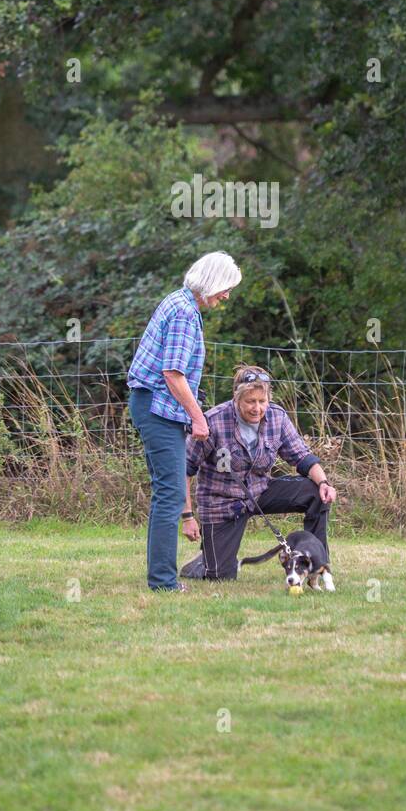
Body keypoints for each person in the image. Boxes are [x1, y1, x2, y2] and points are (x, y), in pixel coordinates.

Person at [127, 252, 241, 591]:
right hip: (158, 409)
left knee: (167, 493)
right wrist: (198, 418)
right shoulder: (184, 314)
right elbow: (173, 374)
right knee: (171, 494)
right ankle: (162, 581)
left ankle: (161, 575)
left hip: (158, 406)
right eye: (226, 288)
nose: (227, 296)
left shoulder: (180, 303)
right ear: (213, 283)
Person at [180, 364, 337, 581]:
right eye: (250, 401)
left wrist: (324, 483)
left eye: (262, 401)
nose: (257, 408)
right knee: (220, 577)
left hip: (260, 491)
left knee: (315, 492)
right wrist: (187, 516)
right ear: (236, 399)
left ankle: (317, 567)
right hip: (222, 503)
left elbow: (302, 456)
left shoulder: (277, 417)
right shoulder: (212, 421)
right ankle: (204, 561)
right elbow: (184, 471)